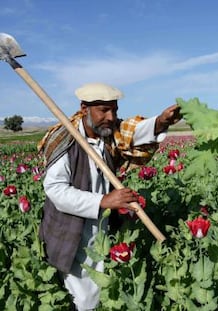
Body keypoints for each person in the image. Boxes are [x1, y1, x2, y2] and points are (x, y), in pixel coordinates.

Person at [38, 82, 181, 310]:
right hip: (71, 228)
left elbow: (133, 131)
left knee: (105, 286)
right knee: (84, 297)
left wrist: (161, 121)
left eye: (113, 109)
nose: (110, 116)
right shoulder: (65, 140)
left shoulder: (109, 134)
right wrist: (104, 201)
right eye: (103, 110)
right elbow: (56, 190)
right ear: (84, 108)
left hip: (103, 228)